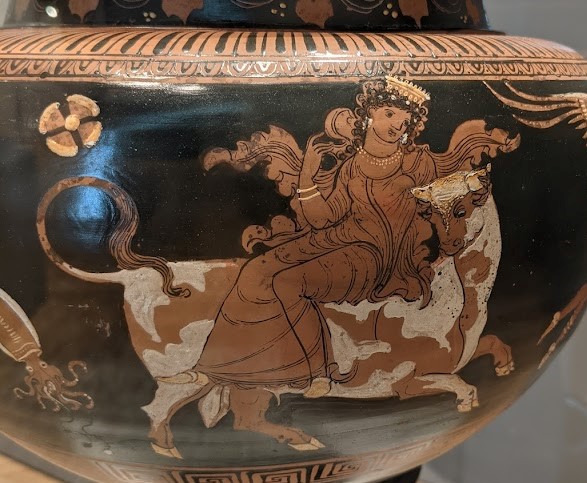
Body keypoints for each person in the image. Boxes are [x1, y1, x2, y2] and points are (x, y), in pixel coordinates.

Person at [192, 76, 494, 397]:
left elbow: (446, 185)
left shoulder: (417, 162)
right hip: (339, 239)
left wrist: (472, 183)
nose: (397, 125)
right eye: (390, 114)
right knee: (255, 270)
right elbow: (324, 218)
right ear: (370, 113)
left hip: (378, 255)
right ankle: (218, 369)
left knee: (289, 283)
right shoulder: (353, 165)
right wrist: (308, 172)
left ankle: (319, 372)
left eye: (405, 121)